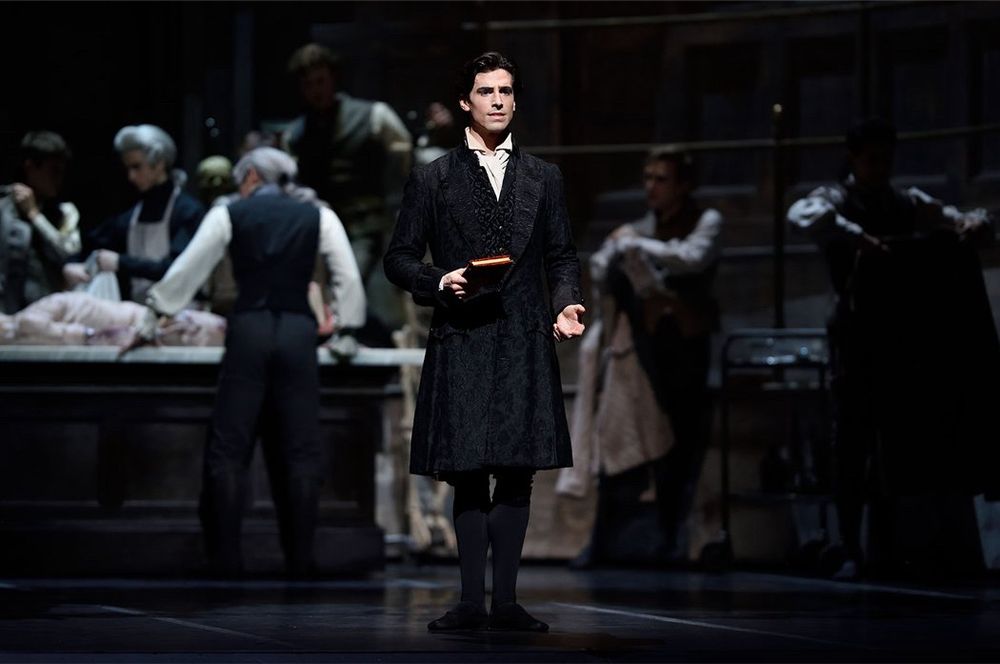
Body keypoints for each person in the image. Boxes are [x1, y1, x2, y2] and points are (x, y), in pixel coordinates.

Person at [383, 51, 585, 632]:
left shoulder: (544, 178)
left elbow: (561, 255)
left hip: (522, 337)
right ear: (466, 102)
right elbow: (399, 257)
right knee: (468, 471)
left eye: (505, 90)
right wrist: (437, 279)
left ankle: (507, 601)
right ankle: (471, 601)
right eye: (484, 91)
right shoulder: (434, 177)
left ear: (515, 100)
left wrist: (566, 300)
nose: (496, 99)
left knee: (517, 471)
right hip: (463, 335)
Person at [123, 147, 365, 577]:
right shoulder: (320, 215)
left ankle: (226, 559)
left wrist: (156, 310)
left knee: (230, 447)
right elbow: (345, 273)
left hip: (250, 326)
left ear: (251, 174)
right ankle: (301, 559)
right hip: (297, 331)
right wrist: (347, 327)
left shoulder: (230, 213)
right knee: (302, 449)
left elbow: (189, 268)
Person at [787, 117, 997, 579]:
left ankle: (899, 544)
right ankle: (847, 544)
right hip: (856, 333)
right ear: (854, 158)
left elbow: (951, 217)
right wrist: (857, 236)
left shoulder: (904, 202)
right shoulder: (834, 202)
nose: (880, 167)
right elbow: (802, 215)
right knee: (852, 439)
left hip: (904, 339)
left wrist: (970, 223)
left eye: (886, 159)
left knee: (903, 438)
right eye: (871, 159)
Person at [562, 148, 723, 565]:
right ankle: (607, 542)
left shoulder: (703, 222)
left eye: (662, 179)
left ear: (683, 185)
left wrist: (636, 246)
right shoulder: (635, 230)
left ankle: (674, 540)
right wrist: (623, 249)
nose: (651, 186)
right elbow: (599, 269)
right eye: (648, 178)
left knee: (682, 447)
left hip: (684, 350)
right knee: (621, 440)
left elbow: (692, 258)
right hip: (642, 350)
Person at [284, 43, 413, 333]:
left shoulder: (374, 116)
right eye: (308, 84)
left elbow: (403, 160)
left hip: (371, 225)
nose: (316, 90)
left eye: (321, 81)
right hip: (322, 225)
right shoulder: (296, 134)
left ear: (333, 79)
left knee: (366, 289)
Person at [63, 125, 205, 304]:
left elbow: (178, 267)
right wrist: (70, 265)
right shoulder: (129, 217)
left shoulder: (188, 211)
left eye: (137, 167)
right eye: (128, 168)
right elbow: (92, 243)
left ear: (159, 163)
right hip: (138, 313)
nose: (131, 176)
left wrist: (120, 263)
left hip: (184, 313)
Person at [0, 131, 81, 313]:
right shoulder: (4, 208)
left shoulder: (64, 211)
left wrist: (35, 215)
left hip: (46, 309)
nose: (58, 179)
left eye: (61, 171)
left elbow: (69, 253)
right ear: (30, 167)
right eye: (53, 171)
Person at [0, 291, 224, 347]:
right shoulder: (21, 331)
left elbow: (27, 326)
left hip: (136, 323)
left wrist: (90, 337)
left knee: (212, 332)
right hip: (136, 325)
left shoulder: (25, 321)